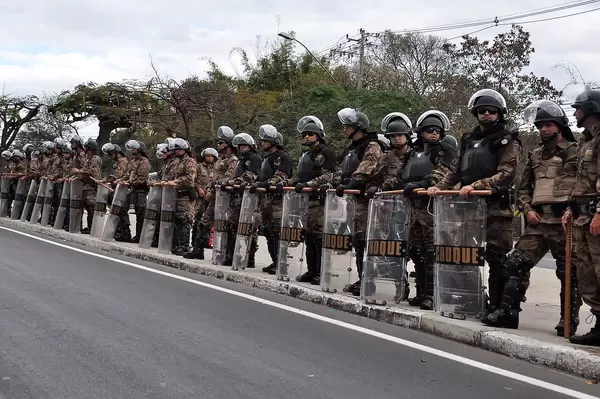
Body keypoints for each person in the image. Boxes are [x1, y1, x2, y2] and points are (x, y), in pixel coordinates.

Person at [428, 89, 519, 318]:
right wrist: (440, 186)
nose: (486, 114)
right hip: (468, 209)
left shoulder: (506, 139)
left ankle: (499, 307)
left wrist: (478, 186)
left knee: (497, 259)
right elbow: (457, 170)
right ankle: (470, 298)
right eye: (482, 111)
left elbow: (507, 173)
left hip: (496, 208)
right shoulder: (468, 138)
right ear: (475, 113)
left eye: (491, 111)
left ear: (499, 113)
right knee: (465, 256)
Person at [562, 88, 600, 346]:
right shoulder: (586, 142)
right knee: (587, 275)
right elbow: (581, 183)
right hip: (582, 218)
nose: (575, 113)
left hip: (596, 217)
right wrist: (569, 208)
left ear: (591, 109)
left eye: (578, 108)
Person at [334, 107, 384, 296]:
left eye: (348, 126)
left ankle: (368, 280)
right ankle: (362, 278)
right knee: (356, 239)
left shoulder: (371, 145)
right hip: (353, 200)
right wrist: (339, 182)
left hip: (366, 200)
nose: (344, 129)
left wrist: (352, 183)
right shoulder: (351, 148)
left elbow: (366, 169)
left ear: (358, 127)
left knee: (365, 240)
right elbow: (341, 169)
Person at [184, 127, 238, 260]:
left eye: (221, 143)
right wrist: (209, 189)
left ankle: (229, 254)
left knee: (227, 225)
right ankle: (198, 250)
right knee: (204, 222)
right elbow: (213, 178)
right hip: (215, 196)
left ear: (228, 144)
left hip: (226, 197)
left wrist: (213, 188)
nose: (218, 145)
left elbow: (228, 177)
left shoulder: (233, 160)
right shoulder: (220, 160)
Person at [249, 124, 293, 274]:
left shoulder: (283, 157)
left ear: (273, 141)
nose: (262, 143)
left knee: (276, 231)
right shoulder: (266, 159)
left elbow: (280, 177)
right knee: (268, 232)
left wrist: (261, 184)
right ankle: (275, 261)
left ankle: (281, 263)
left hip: (278, 202)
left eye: (265, 140)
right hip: (266, 200)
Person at [223, 133, 262, 267]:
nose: (241, 148)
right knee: (232, 225)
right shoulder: (241, 160)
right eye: (239, 146)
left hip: (250, 198)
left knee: (249, 227)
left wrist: (231, 182)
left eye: (244, 145)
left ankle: (249, 258)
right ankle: (232, 255)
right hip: (238, 197)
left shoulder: (255, 158)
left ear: (250, 145)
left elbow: (250, 176)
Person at [161, 138, 197, 255]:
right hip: (175, 194)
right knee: (176, 220)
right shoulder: (177, 161)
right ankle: (176, 245)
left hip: (185, 195)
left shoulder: (189, 161)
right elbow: (171, 175)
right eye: (175, 150)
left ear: (184, 150)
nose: (176, 152)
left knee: (184, 220)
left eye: (178, 150)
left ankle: (184, 245)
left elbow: (189, 178)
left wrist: (176, 181)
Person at [115, 140, 151, 243]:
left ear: (139, 149)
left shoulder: (144, 161)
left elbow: (142, 178)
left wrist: (130, 182)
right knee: (122, 208)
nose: (132, 150)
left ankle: (139, 236)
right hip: (130, 189)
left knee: (140, 212)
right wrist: (121, 180)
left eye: (134, 148)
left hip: (140, 190)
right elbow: (127, 174)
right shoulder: (132, 161)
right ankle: (125, 233)